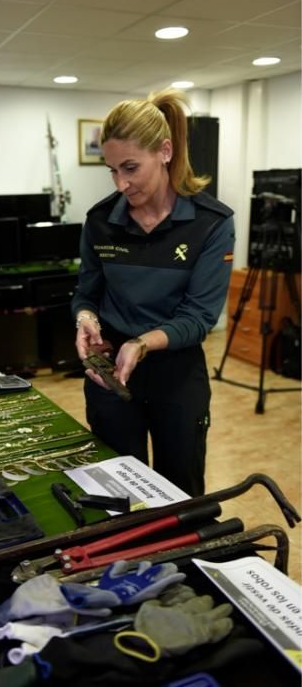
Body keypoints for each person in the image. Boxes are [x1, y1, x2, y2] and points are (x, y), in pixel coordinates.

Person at [71, 89, 235, 497]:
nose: (121, 183)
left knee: (179, 492)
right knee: (118, 491)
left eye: (130, 168)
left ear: (164, 151)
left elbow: (199, 318)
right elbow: (86, 293)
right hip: (111, 373)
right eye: (111, 170)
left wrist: (141, 344)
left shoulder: (211, 224)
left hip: (176, 375)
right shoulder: (100, 221)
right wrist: (85, 320)